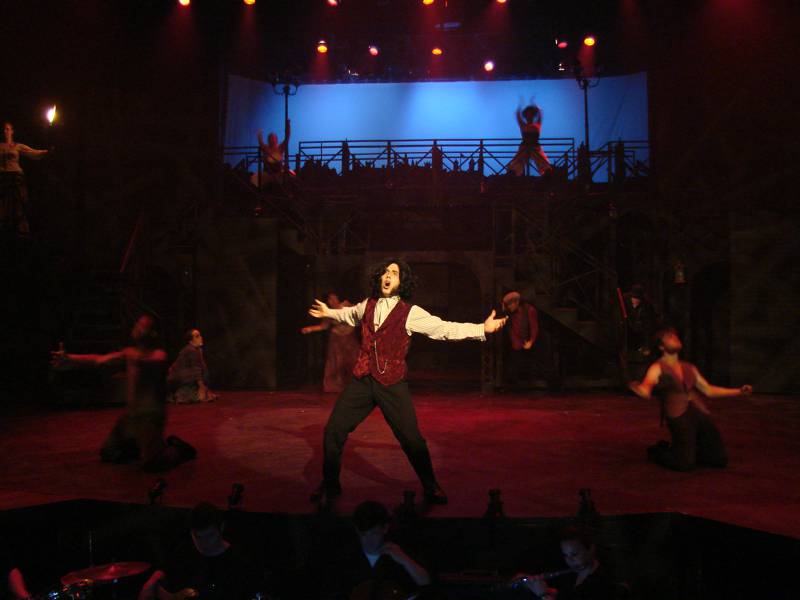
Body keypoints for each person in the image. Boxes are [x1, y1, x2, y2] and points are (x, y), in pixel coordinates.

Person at [307, 258, 508, 506]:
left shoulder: (410, 313)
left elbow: (443, 329)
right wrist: (328, 313)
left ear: (402, 282)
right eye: (385, 272)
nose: (388, 275)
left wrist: (481, 329)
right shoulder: (367, 305)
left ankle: (430, 485)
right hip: (363, 379)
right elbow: (348, 315)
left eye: (394, 273)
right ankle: (330, 483)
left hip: (391, 383)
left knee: (411, 439)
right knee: (333, 431)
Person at [51, 315, 195, 472]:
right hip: (131, 416)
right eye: (137, 324)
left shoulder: (158, 355)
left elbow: (150, 363)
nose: (138, 328)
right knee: (109, 452)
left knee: (152, 464)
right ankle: (140, 445)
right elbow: (99, 360)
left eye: (143, 326)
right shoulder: (130, 354)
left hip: (150, 417)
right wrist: (69, 359)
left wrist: (132, 358)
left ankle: (178, 449)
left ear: (152, 333)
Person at [628, 326, 752, 472]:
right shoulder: (657, 367)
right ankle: (659, 451)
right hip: (679, 416)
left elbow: (708, 390)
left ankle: (687, 450)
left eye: (675, 337)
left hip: (698, 411)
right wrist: (638, 388)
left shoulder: (688, 367)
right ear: (661, 347)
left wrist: (739, 391)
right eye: (669, 338)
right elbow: (646, 388)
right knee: (684, 464)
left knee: (718, 459)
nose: (675, 339)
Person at [138, 503, 260, 600]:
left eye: (210, 536)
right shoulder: (186, 550)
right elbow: (165, 568)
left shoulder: (237, 561)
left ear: (221, 528)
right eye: (198, 537)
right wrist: (151, 583)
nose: (204, 543)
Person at [322, 500, 431, 600]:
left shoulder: (397, 553)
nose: (369, 541)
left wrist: (404, 560)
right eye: (364, 535)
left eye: (374, 534)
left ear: (385, 528)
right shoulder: (346, 557)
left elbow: (425, 582)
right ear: (357, 530)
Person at [508, 525, 628, 600]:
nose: (570, 560)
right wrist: (530, 582)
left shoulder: (604, 581)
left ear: (591, 549)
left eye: (574, 554)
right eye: (566, 555)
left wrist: (543, 594)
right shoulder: (573, 574)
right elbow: (570, 596)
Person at [301, 292, 360, 393]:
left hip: (349, 338)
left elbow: (357, 316)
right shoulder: (328, 311)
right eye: (329, 299)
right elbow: (324, 326)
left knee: (353, 360)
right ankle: (338, 386)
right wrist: (310, 329)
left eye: (333, 298)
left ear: (338, 298)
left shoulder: (346, 306)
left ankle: (356, 386)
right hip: (336, 340)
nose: (331, 301)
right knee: (337, 362)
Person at [0, 121, 48, 235]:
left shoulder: (17, 146)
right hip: (3, 177)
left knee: (19, 201)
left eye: (7, 129)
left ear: (12, 131)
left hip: (16, 177)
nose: (5, 131)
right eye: (3, 129)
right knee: (3, 203)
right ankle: (4, 229)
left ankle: (21, 230)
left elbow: (33, 153)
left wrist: (46, 152)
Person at [168, 328, 217, 403]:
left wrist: (205, 387)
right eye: (197, 336)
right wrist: (201, 386)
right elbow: (195, 370)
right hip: (180, 380)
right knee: (193, 397)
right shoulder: (190, 350)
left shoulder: (198, 350)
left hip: (189, 379)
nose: (201, 337)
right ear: (190, 341)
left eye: (200, 335)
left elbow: (202, 366)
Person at [501, 291, 539, 389]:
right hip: (516, 342)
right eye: (508, 305)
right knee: (512, 365)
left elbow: (534, 327)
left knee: (534, 363)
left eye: (510, 304)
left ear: (517, 302)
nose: (509, 307)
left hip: (527, 341)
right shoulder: (510, 312)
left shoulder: (529, 310)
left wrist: (531, 341)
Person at [508, 104, 553, 177]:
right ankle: (514, 172)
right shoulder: (523, 125)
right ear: (526, 116)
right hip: (525, 147)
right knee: (518, 161)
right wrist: (519, 108)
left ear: (533, 116)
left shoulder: (536, 125)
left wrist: (537, 108)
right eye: (528, 115)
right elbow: (518, 117)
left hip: (535, 146)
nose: (529, 117)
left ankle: (547, 172)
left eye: (531, 115)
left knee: (541, 160)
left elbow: (540, 116)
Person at [256, 119, 293, 185]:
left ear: (276, 139)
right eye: (270, 138)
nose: (272, 140)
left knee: (291, 176)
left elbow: (287, 137)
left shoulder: (280, 148)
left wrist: (288, 126)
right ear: (268, 140)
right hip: (267, 174)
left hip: (279, 173)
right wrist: (259, 134)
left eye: (273, 138)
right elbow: (260, 142)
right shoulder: (266, 148)